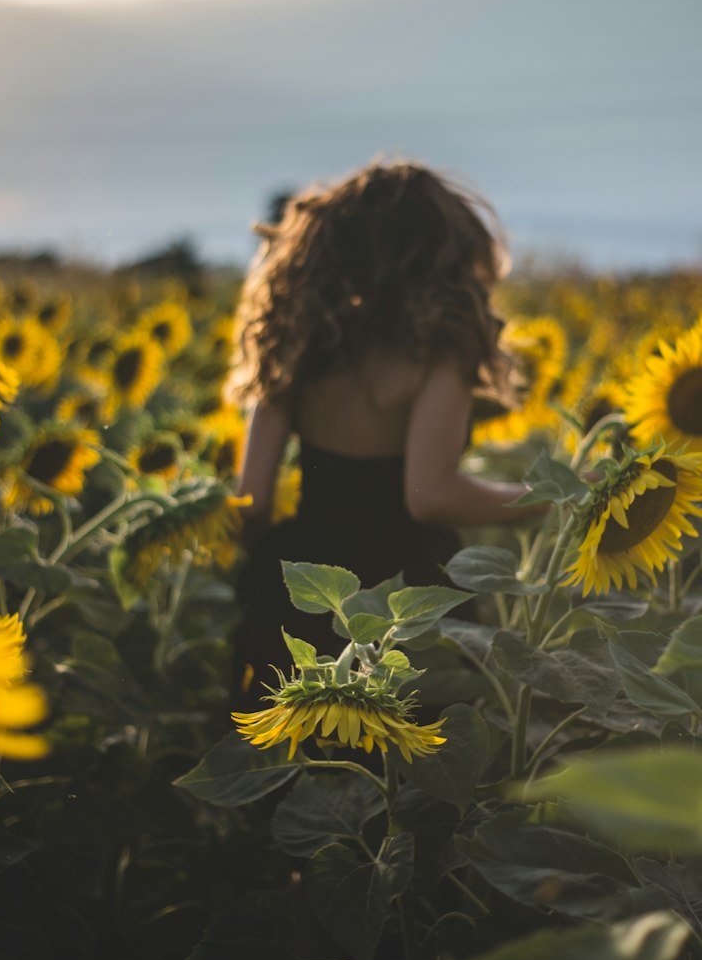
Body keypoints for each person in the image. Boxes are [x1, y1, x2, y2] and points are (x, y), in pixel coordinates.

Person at [224, 157, 550, 701]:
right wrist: (548, 497)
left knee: (295, 754)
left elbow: (251, 502)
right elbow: (429, 496)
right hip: (409, 591)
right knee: (415, 759)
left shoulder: (297, 346)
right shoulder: (438, 355)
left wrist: (272, 566)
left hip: (305, 584)